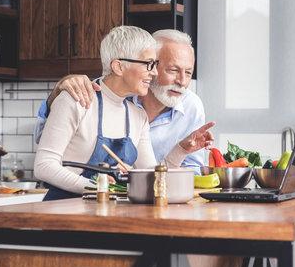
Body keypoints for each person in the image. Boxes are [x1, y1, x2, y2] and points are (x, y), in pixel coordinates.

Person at [34, 26, 214, 200]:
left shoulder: (137, 115)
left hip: (106, 213)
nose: (153, 73)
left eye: (155, 65)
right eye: (148, 64)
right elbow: (44, 166)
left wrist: (182, 149)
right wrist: (101, 187)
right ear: (119, 67)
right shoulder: (76, 100)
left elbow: (152, 177)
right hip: (62, 212)